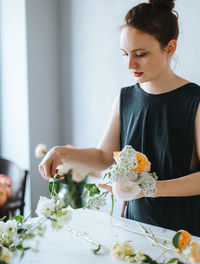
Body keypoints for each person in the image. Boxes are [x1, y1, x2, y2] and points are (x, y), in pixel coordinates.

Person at [39, 0, 200, 236]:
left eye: (140, 54)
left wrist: (150, 188)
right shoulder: (124, 98)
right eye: (125, 54)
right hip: (133, 229)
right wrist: (61, 153)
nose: (130, 64)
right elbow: (104, 157)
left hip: (186, 235)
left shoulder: (194, 101)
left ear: (170, 47)